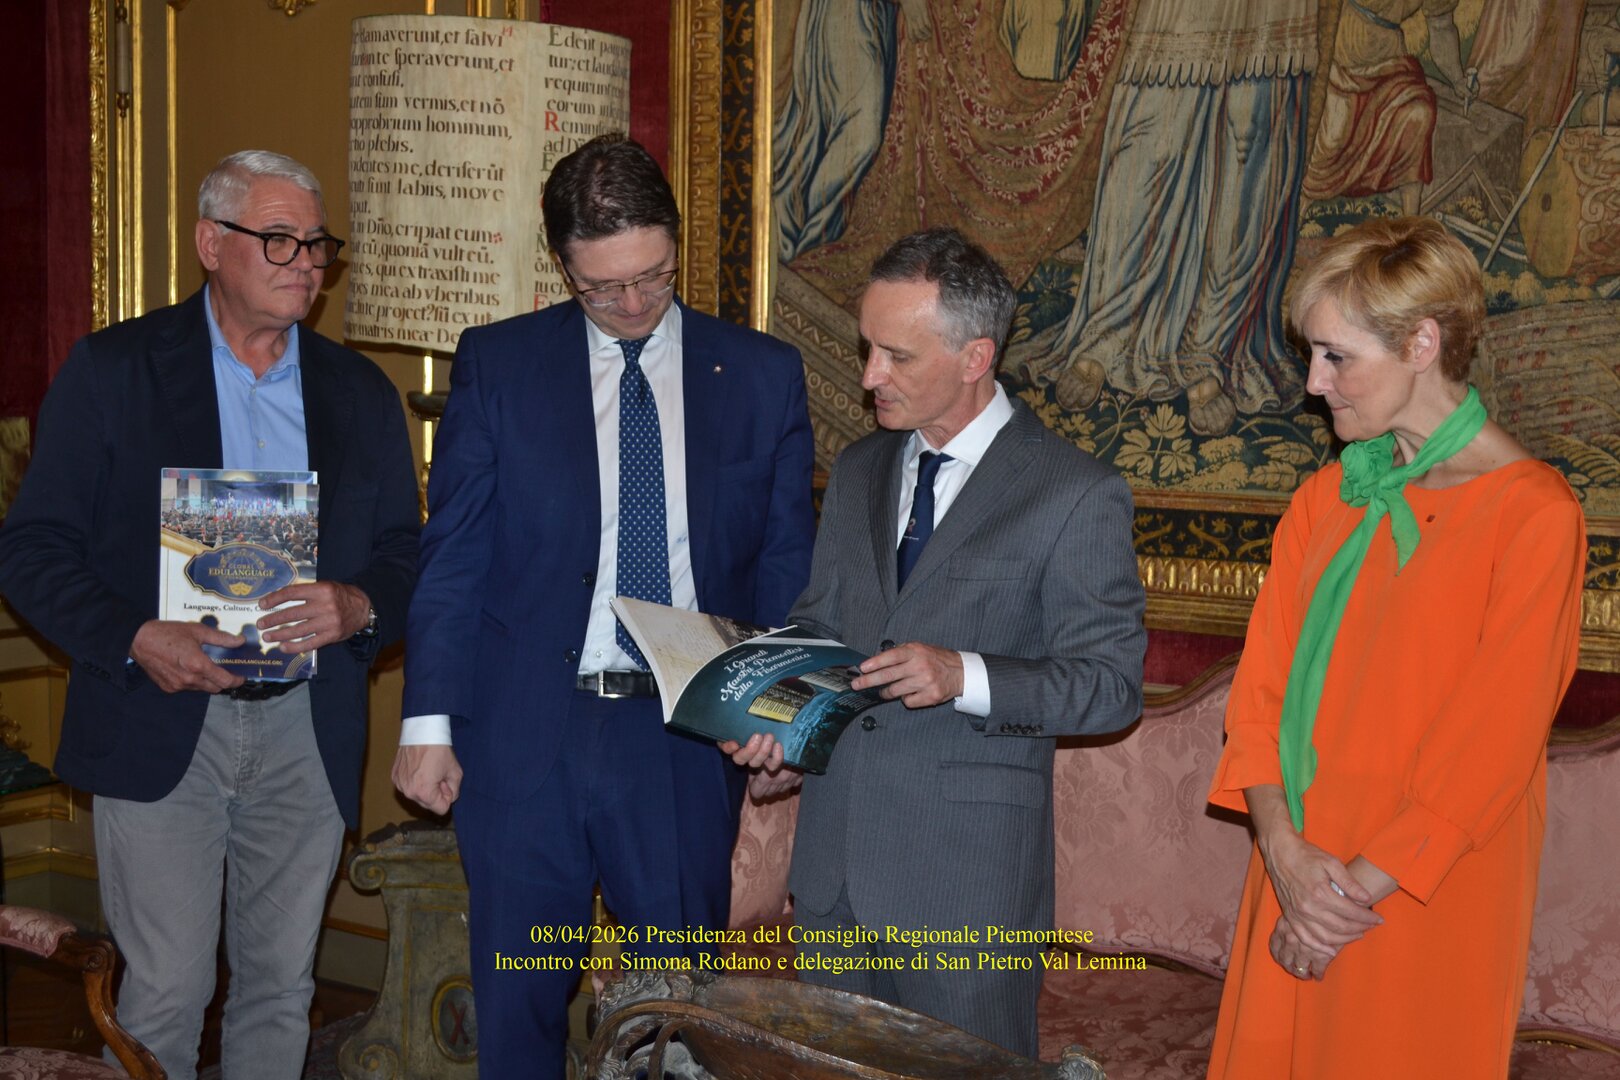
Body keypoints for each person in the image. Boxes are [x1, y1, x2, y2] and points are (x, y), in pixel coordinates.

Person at [393, 133, 816, 1079]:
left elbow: (785, 569)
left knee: (678, 1021)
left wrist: (778, 713)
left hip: (679, 741)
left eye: (652, 277)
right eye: (602, 288)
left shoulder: (760, 375)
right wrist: (428, 721)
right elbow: (454, 556)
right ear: (562, 266)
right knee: (518, 1008)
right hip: (523, 736)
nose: (631, 305)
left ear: (675, 244)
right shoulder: (499, 364)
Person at [0, 150, 420, 1079]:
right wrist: (135, 636)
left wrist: (357, 602)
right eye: (279, 239)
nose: (305, 262)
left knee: (280, 993)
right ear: (209, 243)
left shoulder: (358, 392)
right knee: (163, 996)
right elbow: (30, 551)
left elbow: (406, 554)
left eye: (316, 243)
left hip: (307, 728)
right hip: (159, 721)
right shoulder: (115, 370)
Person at [732, 227, 1145, 1055]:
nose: (868, 376)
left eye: (896, 355)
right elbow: (822, 631)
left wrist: (965, 675)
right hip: (833, 881)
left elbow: (1109, 687)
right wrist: (784, 733)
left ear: (975, 357)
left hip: (966, 892)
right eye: (867, 348)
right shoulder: (858, 469)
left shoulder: (1075, 492)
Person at [1205, 216, 1586, 1078]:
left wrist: (1340, 898)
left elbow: (1492, 747)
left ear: (1422, 344)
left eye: (1336, 357)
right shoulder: (1325, 500)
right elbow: (1258, 697)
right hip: (1299, 861)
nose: (1314, 383)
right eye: (1312, 355)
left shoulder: (1534, 515)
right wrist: (1283, 854)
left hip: (1420, 885)